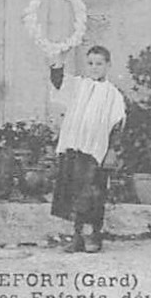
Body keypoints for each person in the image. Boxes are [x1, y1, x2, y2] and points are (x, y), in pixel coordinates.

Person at [50, 45, 125, 253]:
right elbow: (58, 82)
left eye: (99, 64)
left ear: (108, 65)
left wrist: (112, 151)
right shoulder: (78, 85)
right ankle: (77, 237)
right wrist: (58, 62)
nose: (94, 68)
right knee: (74, 192)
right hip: (75, 146)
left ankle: (94, 236)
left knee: (93, 193)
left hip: (95, 151)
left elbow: (117, 124)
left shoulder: (113, 94)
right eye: (90, 63)